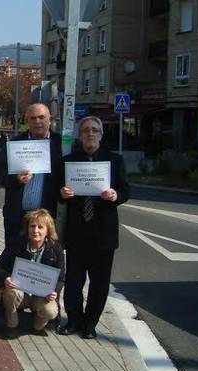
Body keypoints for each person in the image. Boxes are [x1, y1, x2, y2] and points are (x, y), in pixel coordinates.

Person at [58, 116, 130, 339]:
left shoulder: (114, 160)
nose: (90, 134)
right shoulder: (69, 161)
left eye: (95, 130)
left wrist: (116, 195)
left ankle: (90, 323)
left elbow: (126, 189)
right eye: (86, 130)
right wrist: (63, 194)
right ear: (80, 136)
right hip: (77, 231)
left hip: (103, 233)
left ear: (101, 134)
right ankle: (74, 319)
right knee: (73, 281)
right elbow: (58, 191)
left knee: (99, 284)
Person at [0, 209, 65, 339]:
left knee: (50, 311)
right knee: (11, 293)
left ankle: (36, 327)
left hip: (41, 295)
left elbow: (61, 278)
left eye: (40, 227)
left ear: (48, 230)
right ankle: (12, 326)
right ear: (27, 228)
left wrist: (55, 291)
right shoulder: (17, 243)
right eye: (32, 226)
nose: (35, 230)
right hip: (19, 292)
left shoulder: (55, 249)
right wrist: (6, 278)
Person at [0, 103, 62, 250]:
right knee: (13, 257)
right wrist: (16, 179)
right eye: (33, 118)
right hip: (17, 216)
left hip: (47, 218)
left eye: (41, 117)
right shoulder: (14, 144)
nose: (37, 121)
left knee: (43, 260)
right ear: (27, 121)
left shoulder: (61, 144)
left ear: (49, 119)